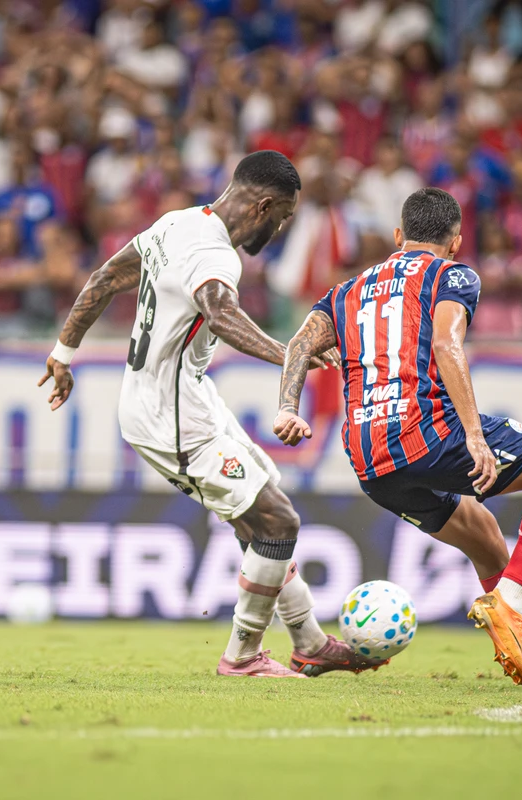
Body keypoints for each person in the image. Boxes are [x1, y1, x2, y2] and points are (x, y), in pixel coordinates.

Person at [273, 187, 522, 689]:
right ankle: (509, 600)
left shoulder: (344, 292)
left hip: (371, 462)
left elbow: (299, 343)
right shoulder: (452, 274)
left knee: (486, 543)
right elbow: (445, 341)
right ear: (456, 241)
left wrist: (288, 407)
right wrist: (475, 436)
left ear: (398, 236)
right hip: (428, 434)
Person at [39, 150, 371, 679]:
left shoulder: (175, 224)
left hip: (188, 400)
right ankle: (242, 657)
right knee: (278, 522)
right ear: (263, 205)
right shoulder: (217, 256)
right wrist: (294, 353)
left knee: (265, 511)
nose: (281, 227)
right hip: (170, 419)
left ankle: (308, 642)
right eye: (283, 216)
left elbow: (104, 278)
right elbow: (221, 312)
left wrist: (63, 353)